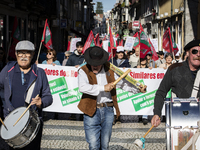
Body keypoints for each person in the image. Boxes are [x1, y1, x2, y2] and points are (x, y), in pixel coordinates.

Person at [78, 46, 146, 149]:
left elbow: (123, 84)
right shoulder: (83, 70)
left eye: (97, 64)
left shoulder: (110, 70)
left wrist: (138, 89)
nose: (95, 66)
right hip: (90, 109)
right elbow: (83, 87)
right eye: (93, 63)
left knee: (105, 145)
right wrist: (103, 88)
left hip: (107, 109)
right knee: (93, 144)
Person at [0, 40, 53, 150]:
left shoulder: (40, 73)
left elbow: (48, 97)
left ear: (33, 54)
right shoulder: (7, 70)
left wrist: (41, 102)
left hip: (31, 124)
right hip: (9, 122)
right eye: (20, 53)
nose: (23, 56)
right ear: (15, 54)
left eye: (27, 53)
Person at [151, 39, 200, 127]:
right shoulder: (174, 69)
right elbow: (161, 92)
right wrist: (157, 113)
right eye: (195, 51)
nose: (198, 54)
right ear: (187, 53)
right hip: (179, 119)